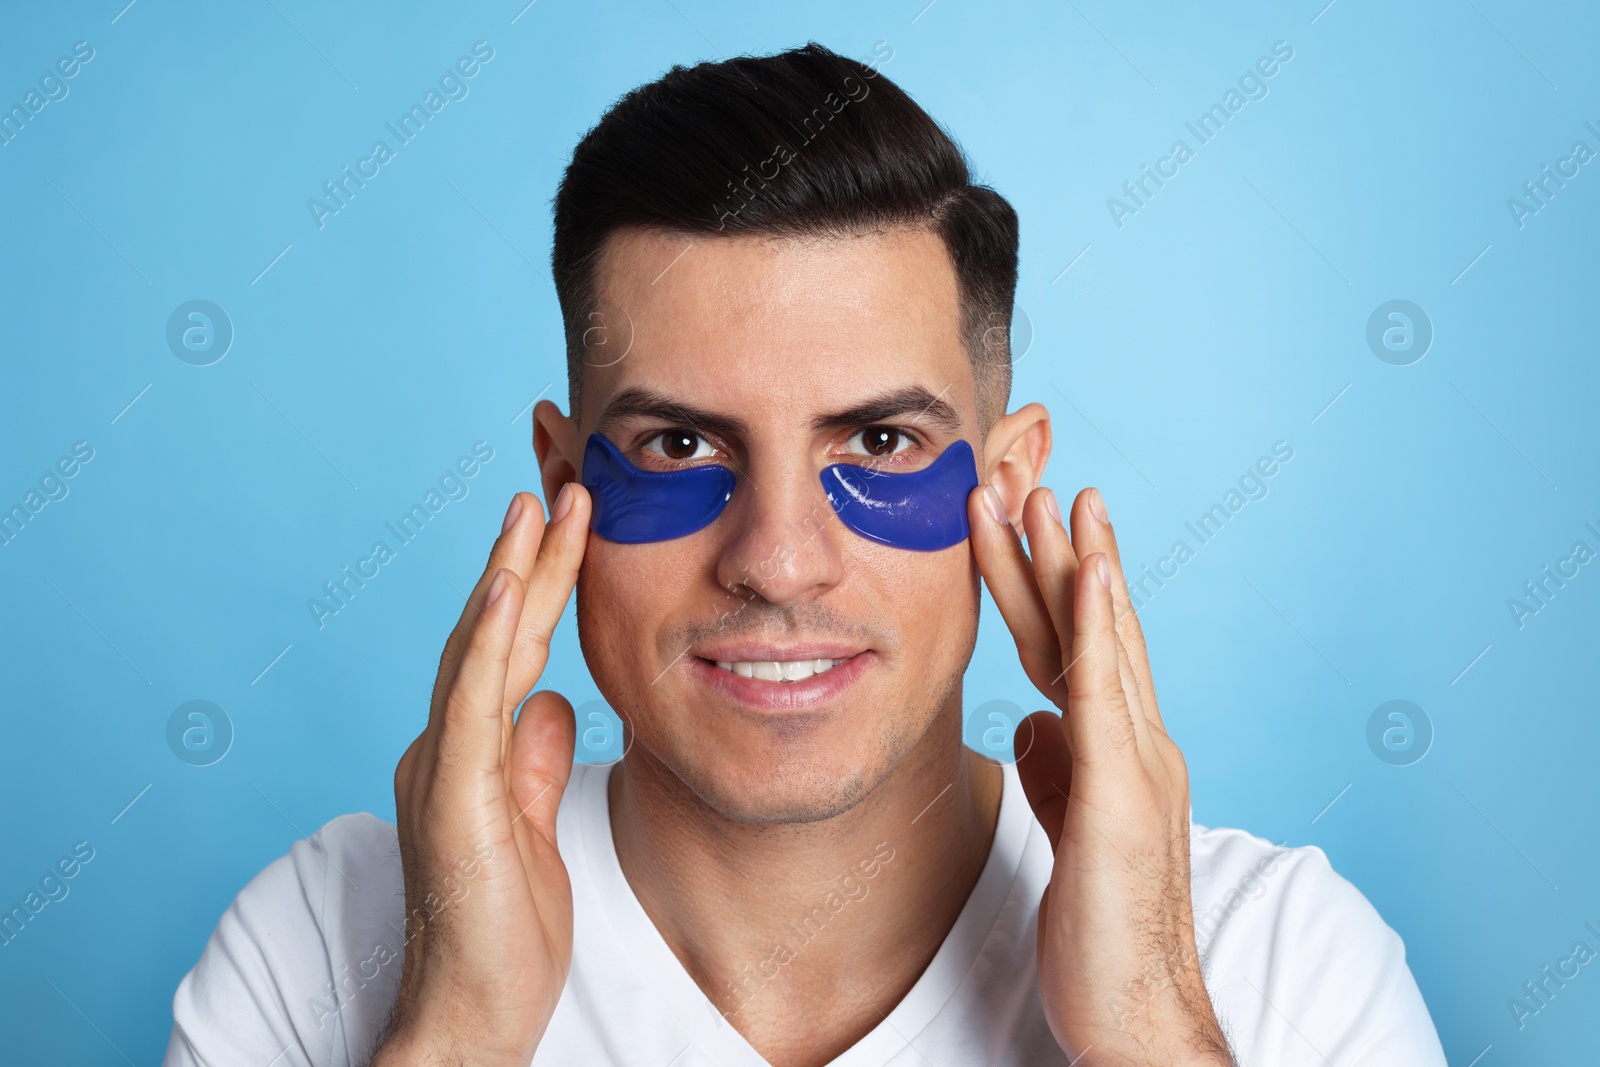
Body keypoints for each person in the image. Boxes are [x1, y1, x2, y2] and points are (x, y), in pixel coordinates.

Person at [161, 41, 1447, 1067]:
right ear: (565, 487)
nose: (777, 560)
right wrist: (450, 1043)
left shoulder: (1273, 962)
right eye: (675, 447)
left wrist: (1149, 1032)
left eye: (881, 441)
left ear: (1002, 489)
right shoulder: (324, 943)